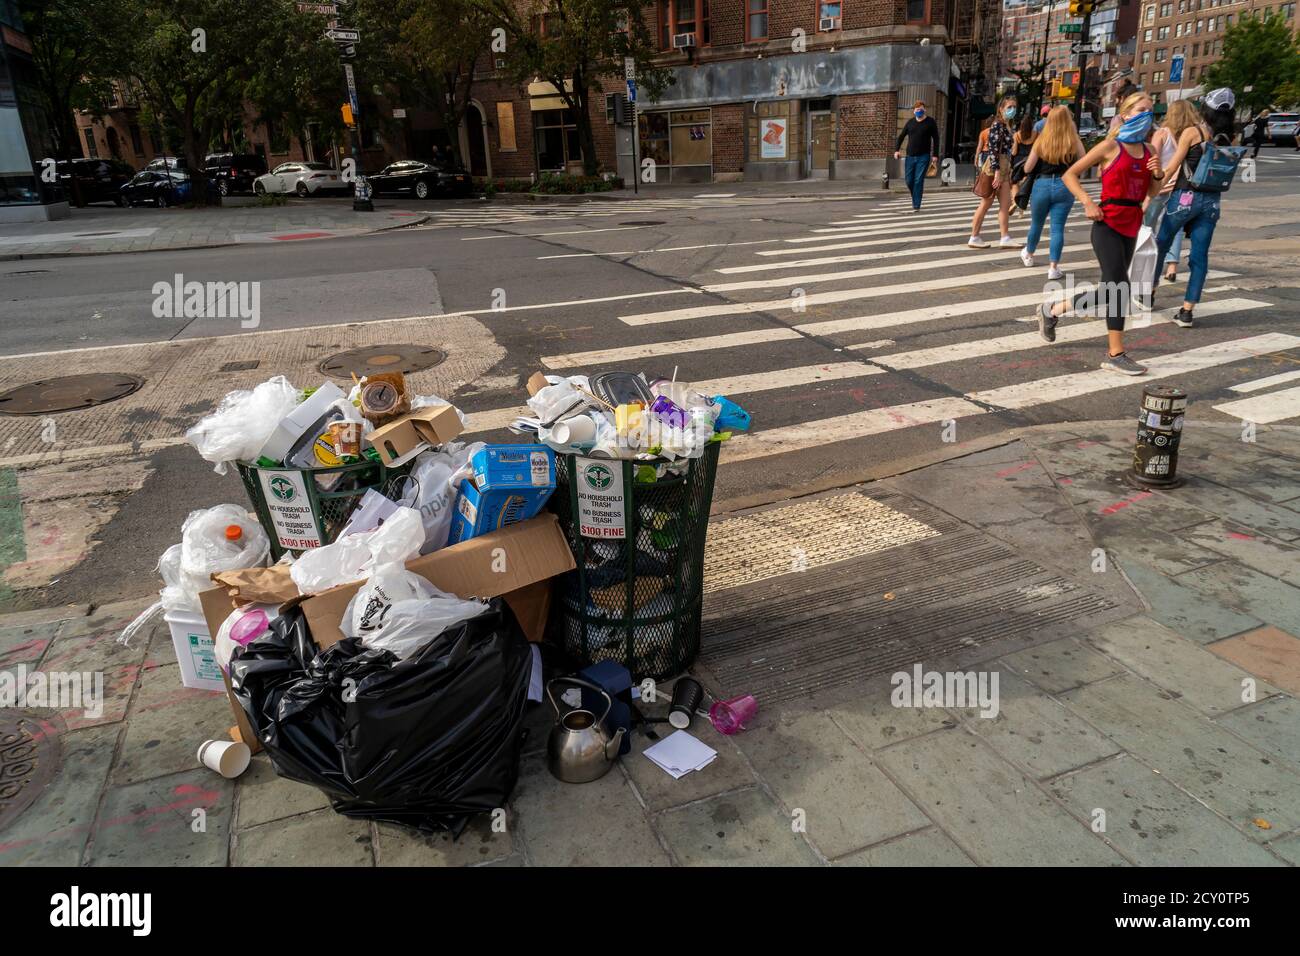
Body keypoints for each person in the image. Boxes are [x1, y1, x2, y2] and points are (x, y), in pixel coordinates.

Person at [1037, 91, 1165, 375]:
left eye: (1150, 111)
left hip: (1132, 221)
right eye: (1141, 110)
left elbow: (1152, 193)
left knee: (1111, 289)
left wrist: (1157, 174)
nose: (1147, 115)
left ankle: (1053, 310)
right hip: (1106, 222)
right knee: (1119, 288)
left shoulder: (1149, 151)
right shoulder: (1110, 146)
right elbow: (1070, 174)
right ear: (1127, 114)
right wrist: (1087, 201)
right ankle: (1115, 353)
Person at [1151, 88, 1238, 329]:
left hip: (1184, 197)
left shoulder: (1193, 132)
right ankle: (1188, 310)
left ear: (1206, 109)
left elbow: (1174, 166)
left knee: (1162, 243)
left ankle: (1150, 292)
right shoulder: (1232, 137)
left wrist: (1157, 180)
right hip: (1211, 201)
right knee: (1200, 256)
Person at [1020, 106, 1086, 280]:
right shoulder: (1074, 140)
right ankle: (1053, 268)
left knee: (1036, 224)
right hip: (1066, 185)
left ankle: (1029, 255)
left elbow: (1027, 168)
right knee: (1057, 229)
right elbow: (1084, 161)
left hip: (1042, 184)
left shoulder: (1042, 140)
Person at [1146, 99, 1198, 283]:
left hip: (1162, 185)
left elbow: (1154, 160)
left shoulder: (1162, 133)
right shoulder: (1194, 135)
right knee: (1174, 227)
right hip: (1183, 188)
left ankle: (1150, 262)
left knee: (1148, 226)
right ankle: (1172, 266)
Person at [969, 96, 1020, 249]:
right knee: (986, 202)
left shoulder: (1006, 126)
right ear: (1001, 109)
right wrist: (997, 171)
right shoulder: (997, 125)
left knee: (1005, 204)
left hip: (1004, 168)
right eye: (1009, 107)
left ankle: (1005, 237)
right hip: (994, 168)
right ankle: (974, 236)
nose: (1012, 110)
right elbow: (992, 149)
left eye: (1014, 107)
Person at [894, 100, 940, 212]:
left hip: (923, 156)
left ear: (925, 109)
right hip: (910, 156)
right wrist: (896, 150)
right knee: (909, 180)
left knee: (918, 180)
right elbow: (901, 137)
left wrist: (935, 155)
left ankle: (916, 205)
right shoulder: (910, 123)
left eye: (921, 109)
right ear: (914, 111)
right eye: (917, 109)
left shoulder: (930, 122)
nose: (919, 111)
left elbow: (936, 138)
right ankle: (915, 195)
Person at [1010, 114, 1037, 214]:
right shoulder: (1036, 134)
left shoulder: (1017, 135)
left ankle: (1015, 202)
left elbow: (1014, 152)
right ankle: (1021, 204)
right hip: (1030, 160)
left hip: (1018, 161)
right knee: (1027, 182)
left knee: (1014, 183)